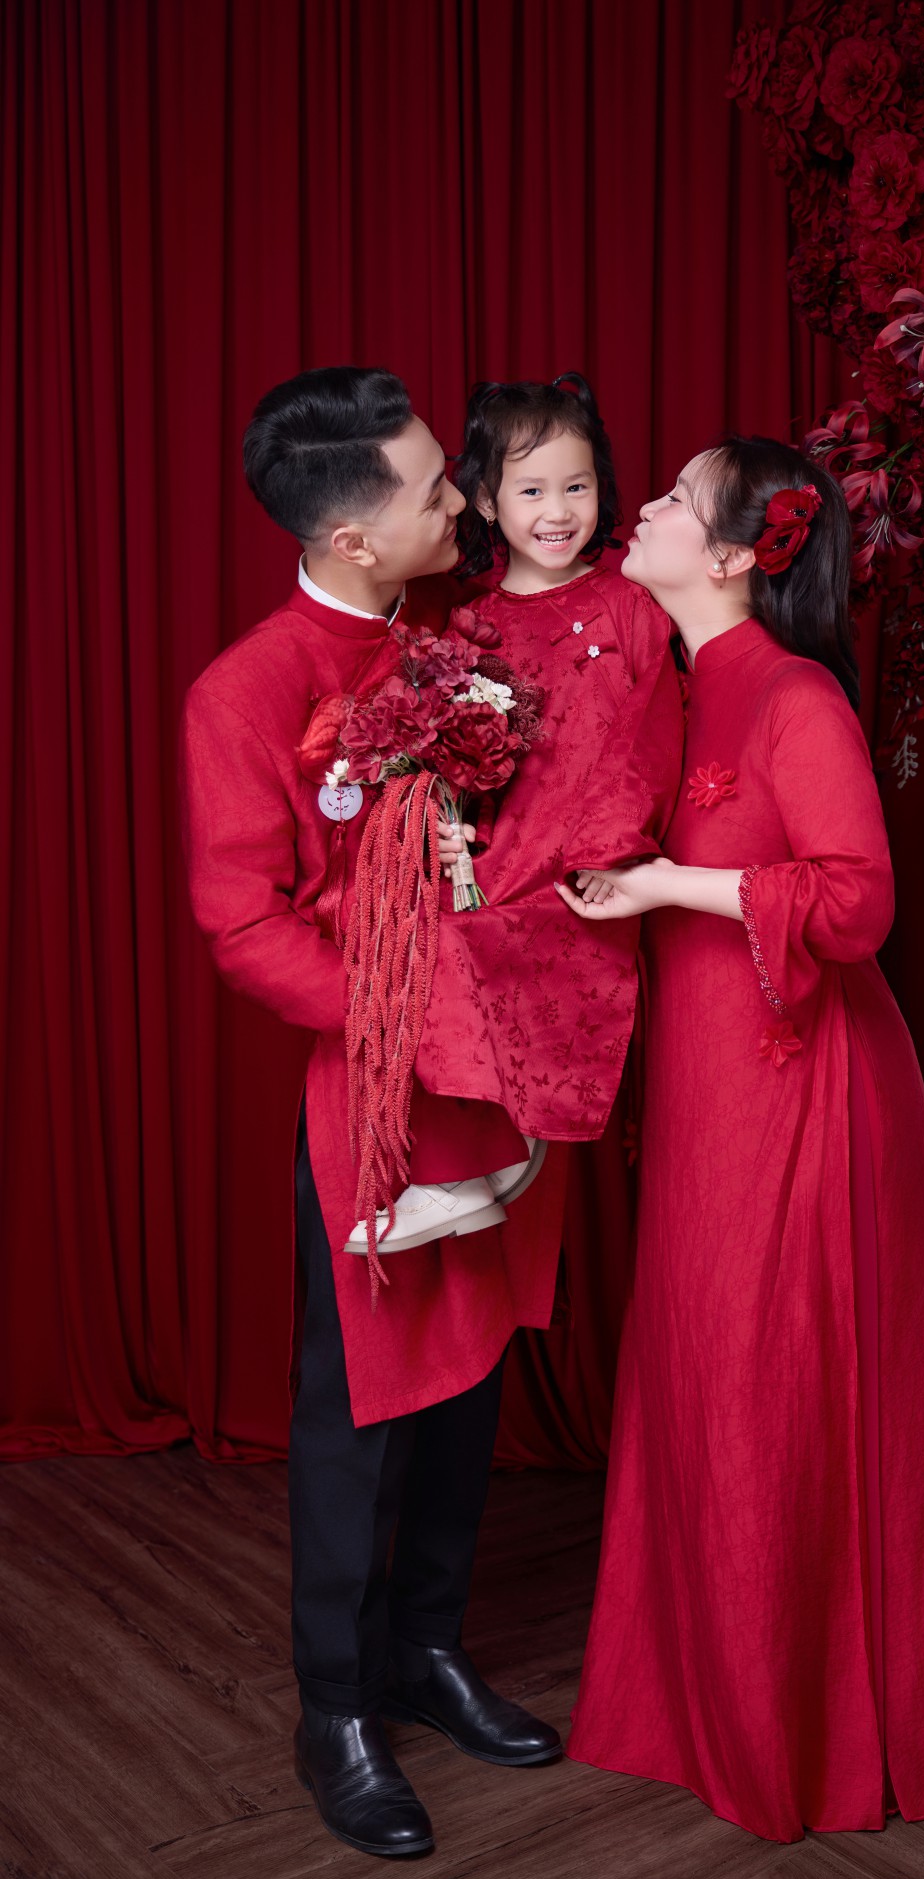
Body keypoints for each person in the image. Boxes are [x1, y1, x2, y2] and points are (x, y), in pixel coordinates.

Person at [557, 437, 924, 1841]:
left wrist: (671, 883)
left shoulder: (793, 694)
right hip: (708, 1087)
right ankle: (691, 1704)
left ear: (738, 554)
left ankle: (795, 1738)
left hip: (803, 1093)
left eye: (674, 499)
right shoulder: (683, 689)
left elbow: (855, 904)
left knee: (768, 1392)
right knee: (702, 1377)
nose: (641, 508)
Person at [180, 366, 564, 1863]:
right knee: (358, 1411)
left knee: (469, 1383)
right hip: (373, 1093)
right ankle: (335, 1706)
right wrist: (404, 1011)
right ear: (351, 537)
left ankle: (428, 1652)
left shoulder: (456, 643)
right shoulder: (248, 690)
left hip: (492, 1081)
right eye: (434, 489)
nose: (463, 501)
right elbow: (242, 924)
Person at [362, 373, 683, 1251]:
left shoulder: (629, 605)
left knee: (508, 952)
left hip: (588, 859)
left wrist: (609, 848)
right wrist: (445, 828)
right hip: (498, 850)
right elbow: (446, 755)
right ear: (486, 503)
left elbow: (651, 736)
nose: (558, 510)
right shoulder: (469, 622)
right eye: (531, 491)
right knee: (427, 944)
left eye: (576, 486)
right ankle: (474, 1156)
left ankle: (493, 1152)